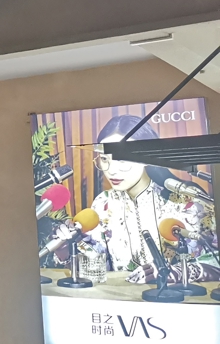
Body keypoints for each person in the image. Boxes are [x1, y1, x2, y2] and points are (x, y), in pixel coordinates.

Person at [51, 115, 219, 283]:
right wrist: (65, 250)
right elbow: (97, 271)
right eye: (104, 159)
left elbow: (215, 262)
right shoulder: (103, 203)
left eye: (122, 159)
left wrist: (176, 273)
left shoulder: (187, 201)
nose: (112, 170)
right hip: (123, 298)